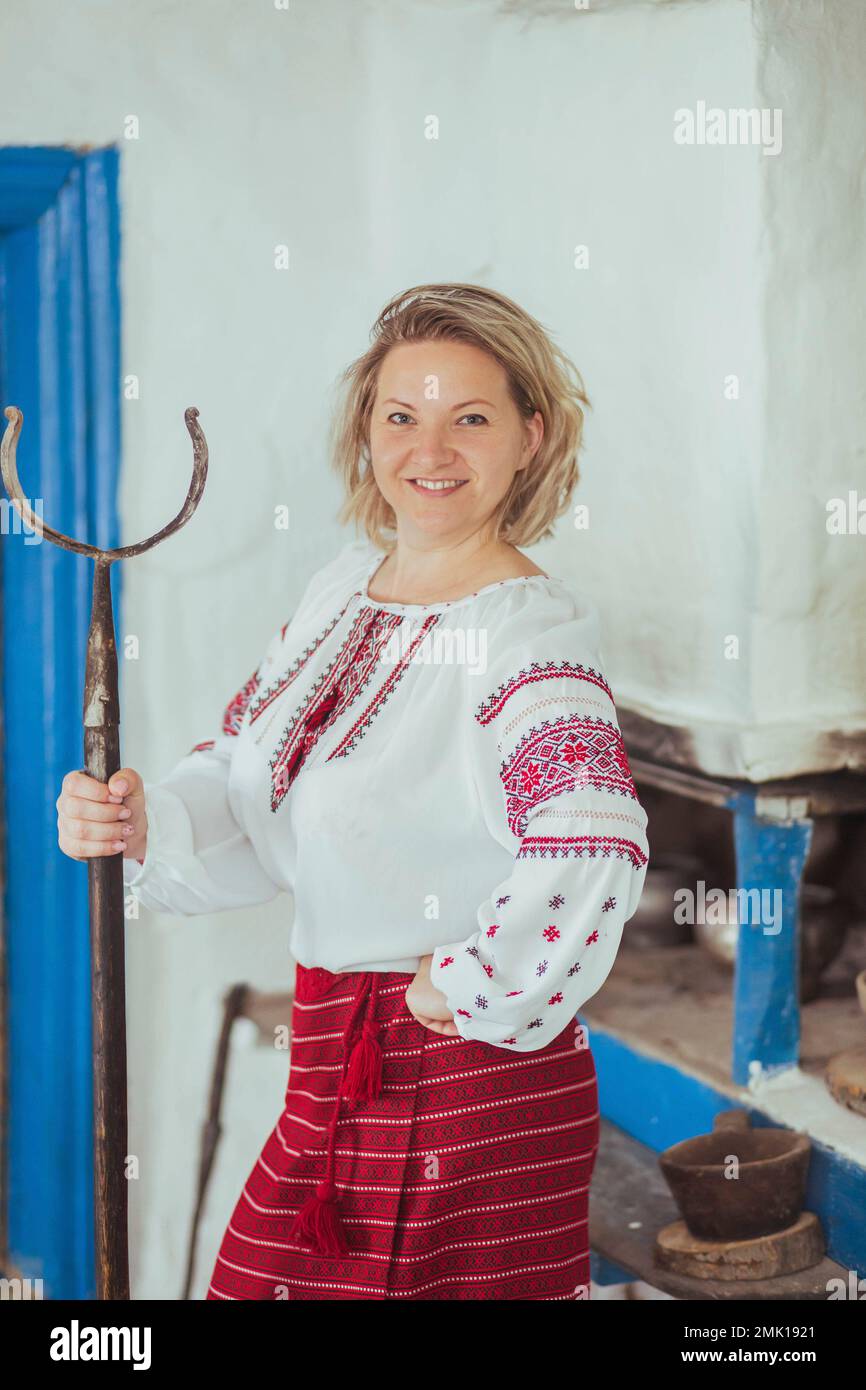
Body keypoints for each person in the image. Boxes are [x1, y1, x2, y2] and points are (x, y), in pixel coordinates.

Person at [57, 282, 650, 1300]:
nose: (430, 450)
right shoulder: (340, 592)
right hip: (335, 1063)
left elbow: (591, 838)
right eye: (400, 416)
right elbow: (250, 774)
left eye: (470, 417)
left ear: (530, 437)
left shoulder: (524, 636)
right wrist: (145, 819)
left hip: (456, 1087)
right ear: (365, 432)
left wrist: (464, 984)